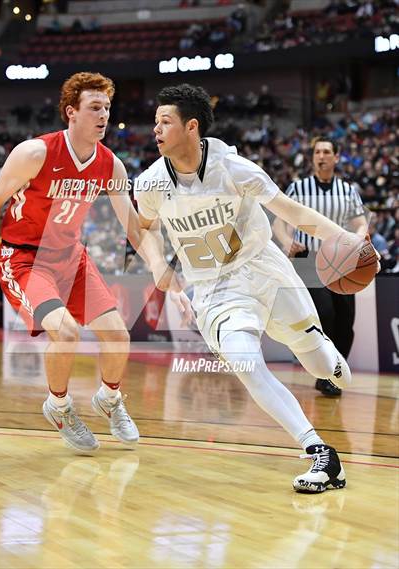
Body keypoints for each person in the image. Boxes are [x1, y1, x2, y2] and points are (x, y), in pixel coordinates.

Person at [134, 83, 368, 493]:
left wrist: (347, 242)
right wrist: (157, 263)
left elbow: (292, 212)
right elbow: (145, 230)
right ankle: (319, 452)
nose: (155, 129)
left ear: (191, 127)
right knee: (245, 362)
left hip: (265, 270)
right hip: (215, 290)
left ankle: (326, 356)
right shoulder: (150, 184)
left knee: (324, 368)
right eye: (155, 122)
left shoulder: (235, 168)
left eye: (164, 122)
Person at [0, 72, 140, 452]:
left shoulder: (110, 164)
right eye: (95, 108)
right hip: (24, 259)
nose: (103, 116)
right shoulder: (35, 153)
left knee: (118, 336)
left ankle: (110, 399)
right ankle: (60, 406)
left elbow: (132, 225)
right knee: (66, 332)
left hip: (72, 257)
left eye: (107, 108)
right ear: (72, 112)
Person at [273, 137, 367, 396]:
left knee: (346, 321)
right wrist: (286, 240)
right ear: (313, 157)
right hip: (309, 258)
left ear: (336, 157)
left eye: (327, 151)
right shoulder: (298, 187)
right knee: (324, 313)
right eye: (317, 152)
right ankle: (326, 372)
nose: (321, 156)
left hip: (341, 259)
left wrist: (358, 237)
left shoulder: (347, 191)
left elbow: (360, 223)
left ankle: (336, 374)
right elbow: (279, 224)